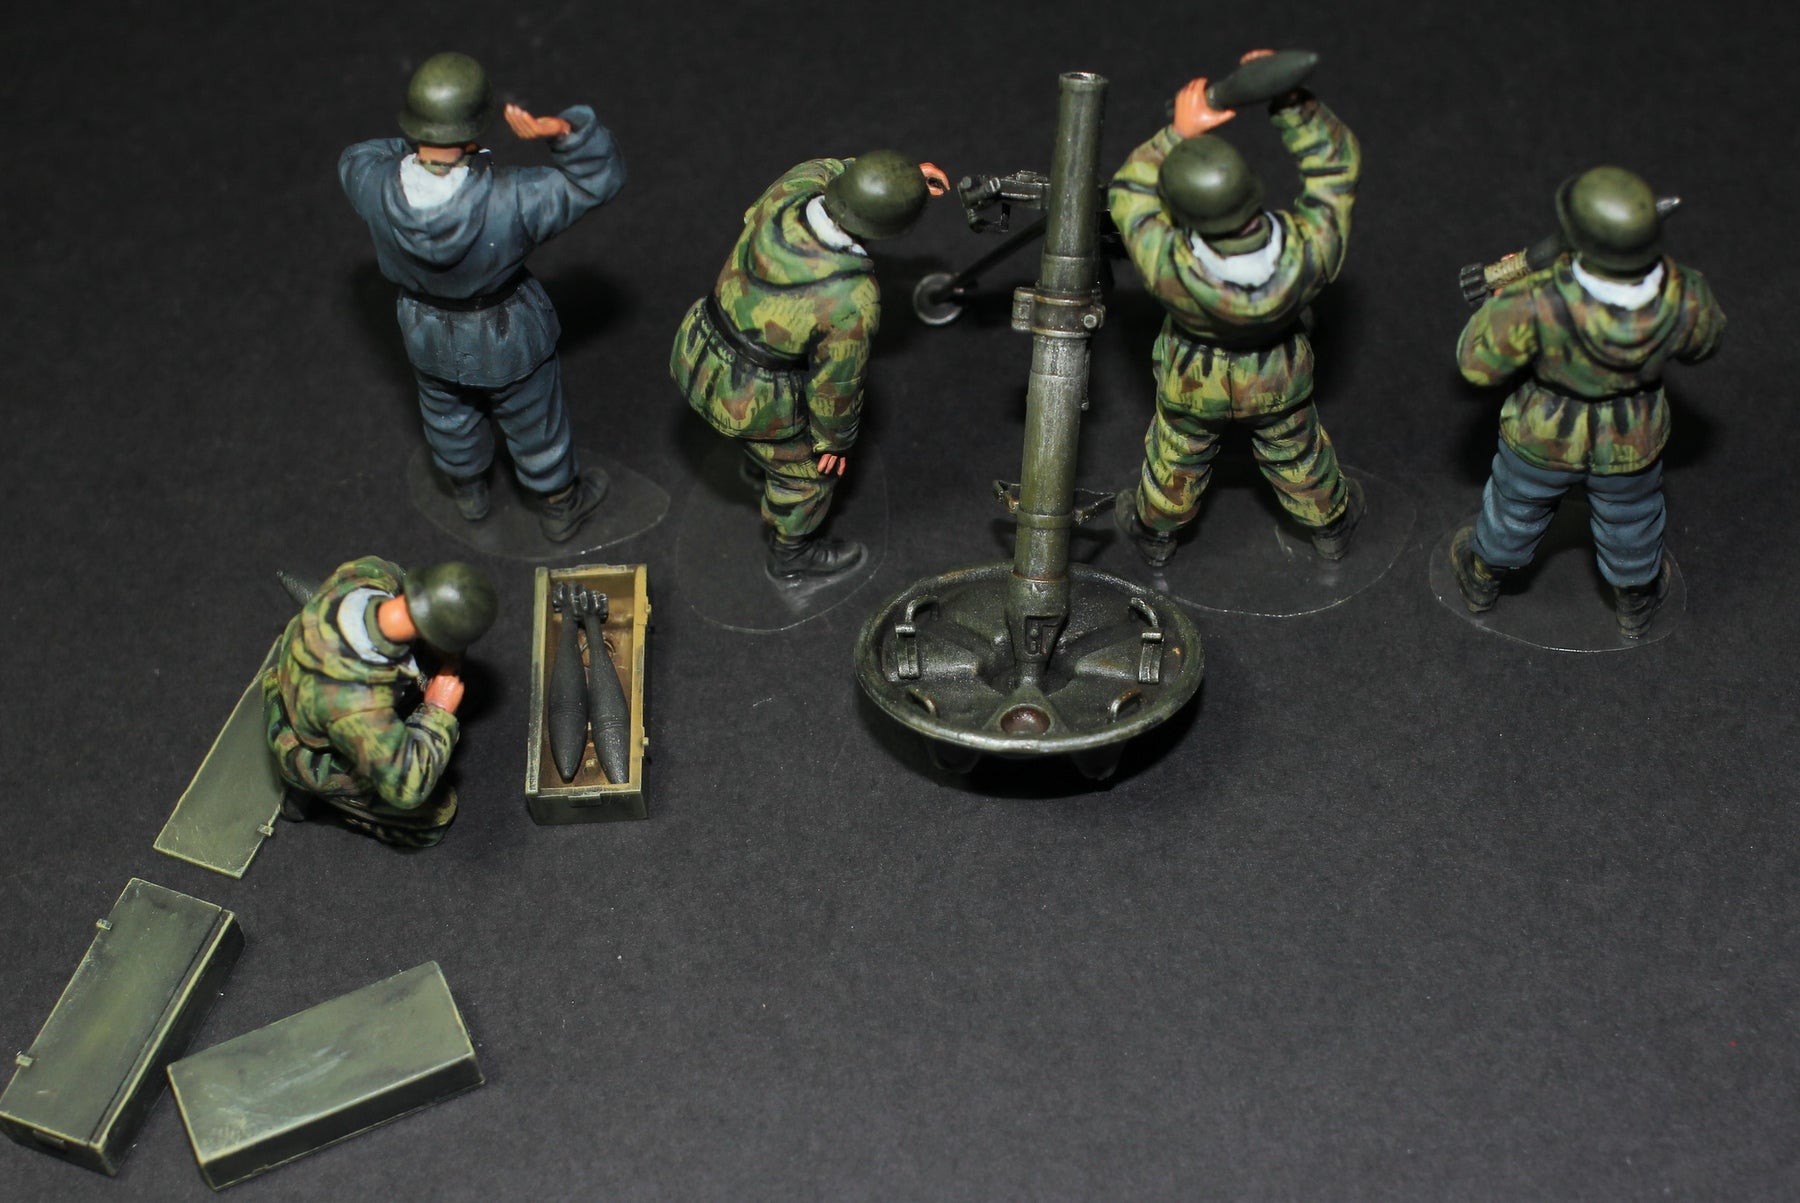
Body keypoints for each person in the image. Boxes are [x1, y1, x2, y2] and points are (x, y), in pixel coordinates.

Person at [340, 51, 625, 542]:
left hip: (426, 331)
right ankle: (560, 506)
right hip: (506, 333)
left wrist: (419, 148)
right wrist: (566, 133)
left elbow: (357, 156)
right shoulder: (513, 198)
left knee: (447, 415)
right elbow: (599, 180)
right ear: (474, 128)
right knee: (535, 421)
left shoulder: (371, 182)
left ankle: (468, 491)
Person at [1109, 53, 1362, 568]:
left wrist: (1177, 133)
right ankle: (1330, 528)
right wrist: (1291, 101)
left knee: (1177, 454)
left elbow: (1129, 192)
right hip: (1275, 374)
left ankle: (1157, 535)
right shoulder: (1308, 252)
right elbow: (1335, 168)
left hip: (1192, 378)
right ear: (1253, 191)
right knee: (1295, 451)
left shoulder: (1167, 265)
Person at [1451, 165, 1725, 637]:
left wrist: (1501, 303)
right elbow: (1706, 342)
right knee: (1631, 520)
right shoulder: (1683, 294)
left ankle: (1483, 579)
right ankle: (1635, 600)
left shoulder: (1536, 300)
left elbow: (1475, 364)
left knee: (1515, 508)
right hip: (1631, 439)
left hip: (1543, 435)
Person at [670, 151, 943, 582]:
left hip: (696, 348)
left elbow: (833, 169)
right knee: (809, 479)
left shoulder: (791, 189)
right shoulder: (853, 299)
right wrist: (833, 441)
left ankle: (757, 464)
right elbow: (836, 384)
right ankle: (792, 556)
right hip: (750, 401)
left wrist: (902, 179)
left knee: (767, 440)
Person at [263, 557, 497, 847]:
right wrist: (437, 711)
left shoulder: (372, 572)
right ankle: (327, 798)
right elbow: (407, 787)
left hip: (311, 680)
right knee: (436, 818)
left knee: (444, 680)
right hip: (312, 748)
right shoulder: (356, 704)